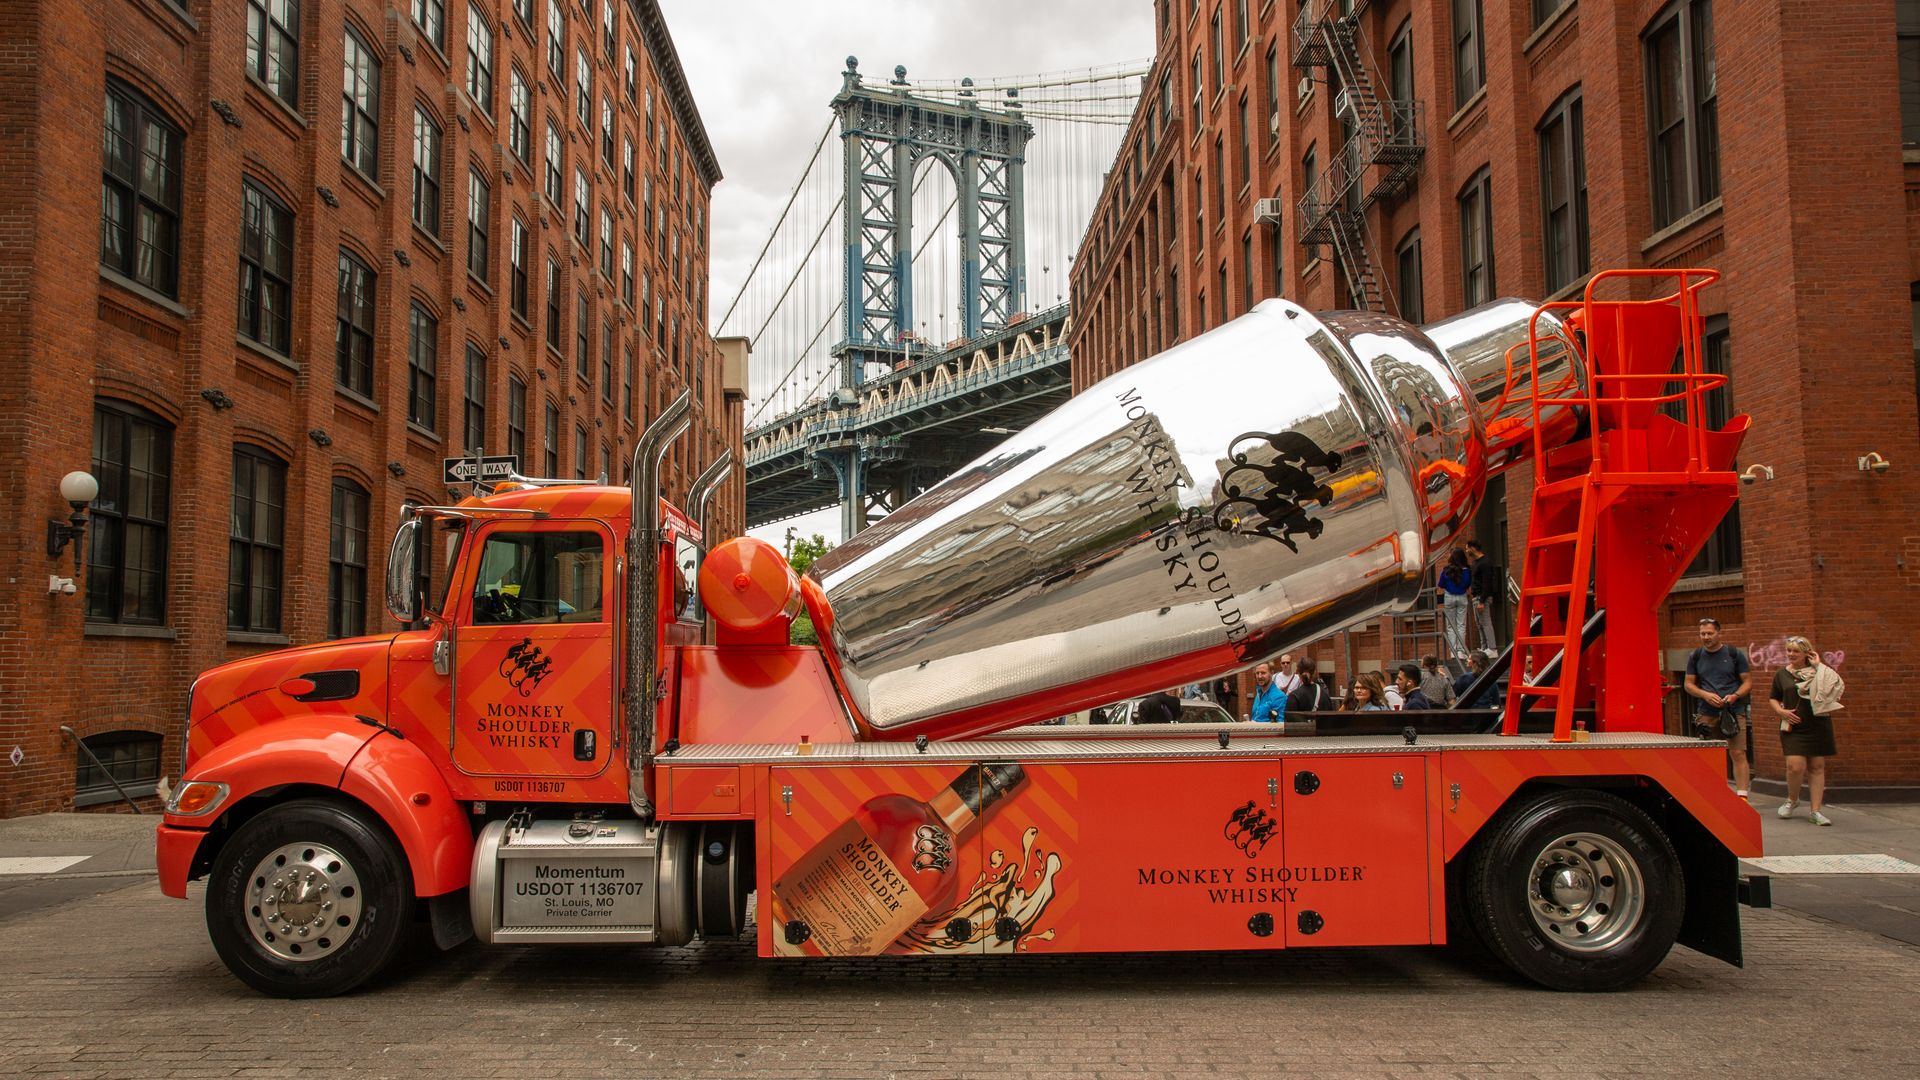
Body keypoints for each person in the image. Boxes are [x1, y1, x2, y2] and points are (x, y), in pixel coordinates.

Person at [1768, 636, 1841, 826]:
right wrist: (1781, 711)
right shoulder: (1781, 675)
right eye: (1789, 651)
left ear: (1806, 654)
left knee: (1817, 767)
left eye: (1795, 651)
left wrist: (1818, 666)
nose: (1791, 654)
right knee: (1795, 766)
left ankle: (1815, 811)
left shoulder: (1819, 672)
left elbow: (1834, 686)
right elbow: (1773, 697)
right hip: (1794, 727)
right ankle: (1792, 799)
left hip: (1818, 725)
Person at [1684, 617, 1753, 797]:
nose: (1706, 637)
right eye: (1702, 634)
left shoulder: (1733, 654)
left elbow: (1747, 682)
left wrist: (1735, 696)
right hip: (1706, 712)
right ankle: (1712, 794)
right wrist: (1705, 695)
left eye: (1710, 633)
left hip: (1733, 711)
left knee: (1738, 752)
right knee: (1707, 754)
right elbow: (1688, 684)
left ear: (1719, 633)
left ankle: (1742, 795)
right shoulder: (1695, 656)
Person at [1466, 539, 1503, 650]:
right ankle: (1484, 647)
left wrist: (1482, 600)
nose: (1466, 550)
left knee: (1486, 622)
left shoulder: (1485, 563)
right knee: (1479, 624)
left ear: (1473, 548)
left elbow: (1487, 583)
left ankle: (1492, 648)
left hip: (1481, 598)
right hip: (1476, 597)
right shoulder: (1475, 563)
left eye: (1467, 548)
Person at [1436, 550, 1473, 658]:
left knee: (1451, 626)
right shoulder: (1467, 571)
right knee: (1461, 625)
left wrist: (1449, 586)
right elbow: (1468, 583)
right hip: (1462, 597)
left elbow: (1441, 584)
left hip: (1449, 597)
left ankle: (1453, 652)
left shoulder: (1447, 570)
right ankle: (1461, 651)